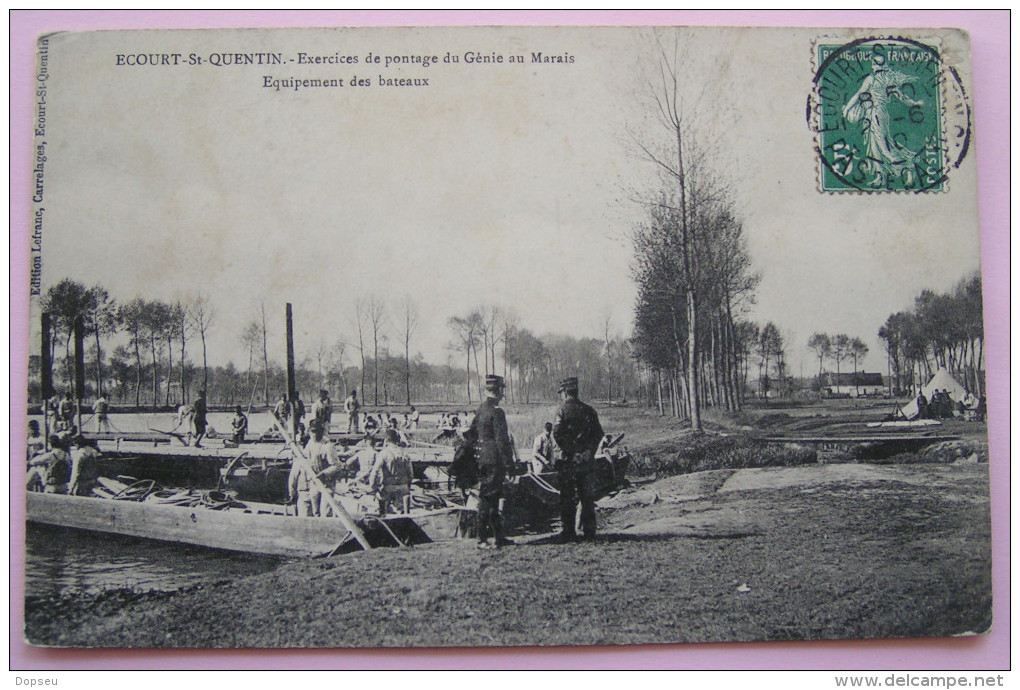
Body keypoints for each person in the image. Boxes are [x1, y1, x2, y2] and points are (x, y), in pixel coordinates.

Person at [553, 376, 605, 542]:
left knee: (567, 497)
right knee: (587, 497)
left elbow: (557, 434)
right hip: (586, 461)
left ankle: (569, 532)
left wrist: (571, 452)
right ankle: (590, 532)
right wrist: (589, 451)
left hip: (569, 461)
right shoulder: (589, 411)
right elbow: (598, 434)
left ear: (565, 393)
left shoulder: (562, 411)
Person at [468, 374, 514, 549]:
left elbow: (472, 434)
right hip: (494, 462)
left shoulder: (480, 409)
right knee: (489, 500)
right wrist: (510, 466)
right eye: (502, 390)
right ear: (499, 391)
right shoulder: (497, 412)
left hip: (482, 460)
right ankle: (482, 539)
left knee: (489, 499)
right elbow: (502, 442)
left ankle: (498, 537)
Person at [368, 428, 414, 515]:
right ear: (397, 439)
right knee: (402, 512)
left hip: (388, 487)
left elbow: (374, 472)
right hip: (403, 487)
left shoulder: (383, 453)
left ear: (386, 440)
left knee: (382, 508)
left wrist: (373, 488)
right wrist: (407, 486)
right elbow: (411, 474)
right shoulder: (405, 454)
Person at [303, 420, 342, 516]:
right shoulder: (310, 444)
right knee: (315, 511)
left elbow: (337, 466)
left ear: (322, 432)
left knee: (325, 512)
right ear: (309, 432)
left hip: (327, 483)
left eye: (317, 431)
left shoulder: (328, 446)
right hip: (314, 482)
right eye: (312, 432)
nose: (315, 434)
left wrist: (324, 473)